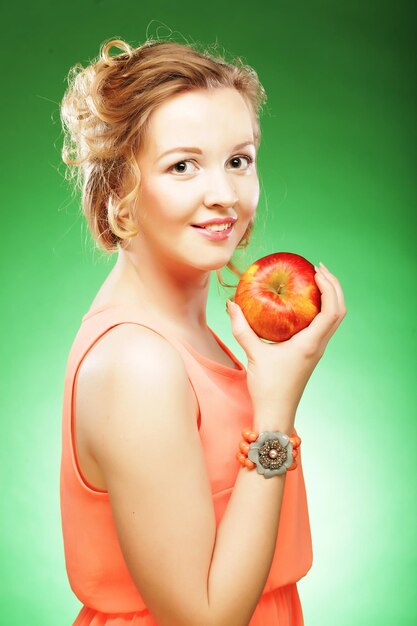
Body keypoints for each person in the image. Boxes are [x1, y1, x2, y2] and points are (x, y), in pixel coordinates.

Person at [59, 36, 346, 626]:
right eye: (182, 165)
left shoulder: (184, 336)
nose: (225, 196)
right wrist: (275, 414)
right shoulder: (137, 364)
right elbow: (203, 620)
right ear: (119, 194)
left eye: (238, 160)